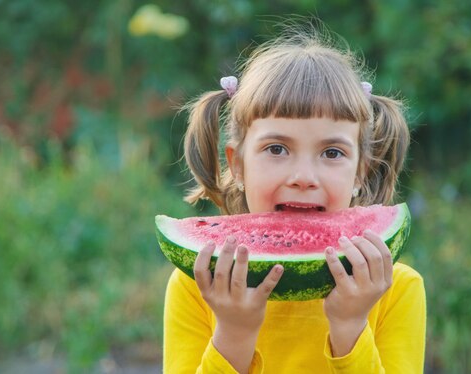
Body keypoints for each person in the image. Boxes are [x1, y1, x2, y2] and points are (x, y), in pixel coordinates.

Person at [163, 25, 426, 373]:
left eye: (332, 152)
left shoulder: (395, 290)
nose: (303, 177)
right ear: (237, 164)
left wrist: (350, 326)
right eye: (277, 148)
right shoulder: (198, 285)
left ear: (361, 171)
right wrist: (234, 335)